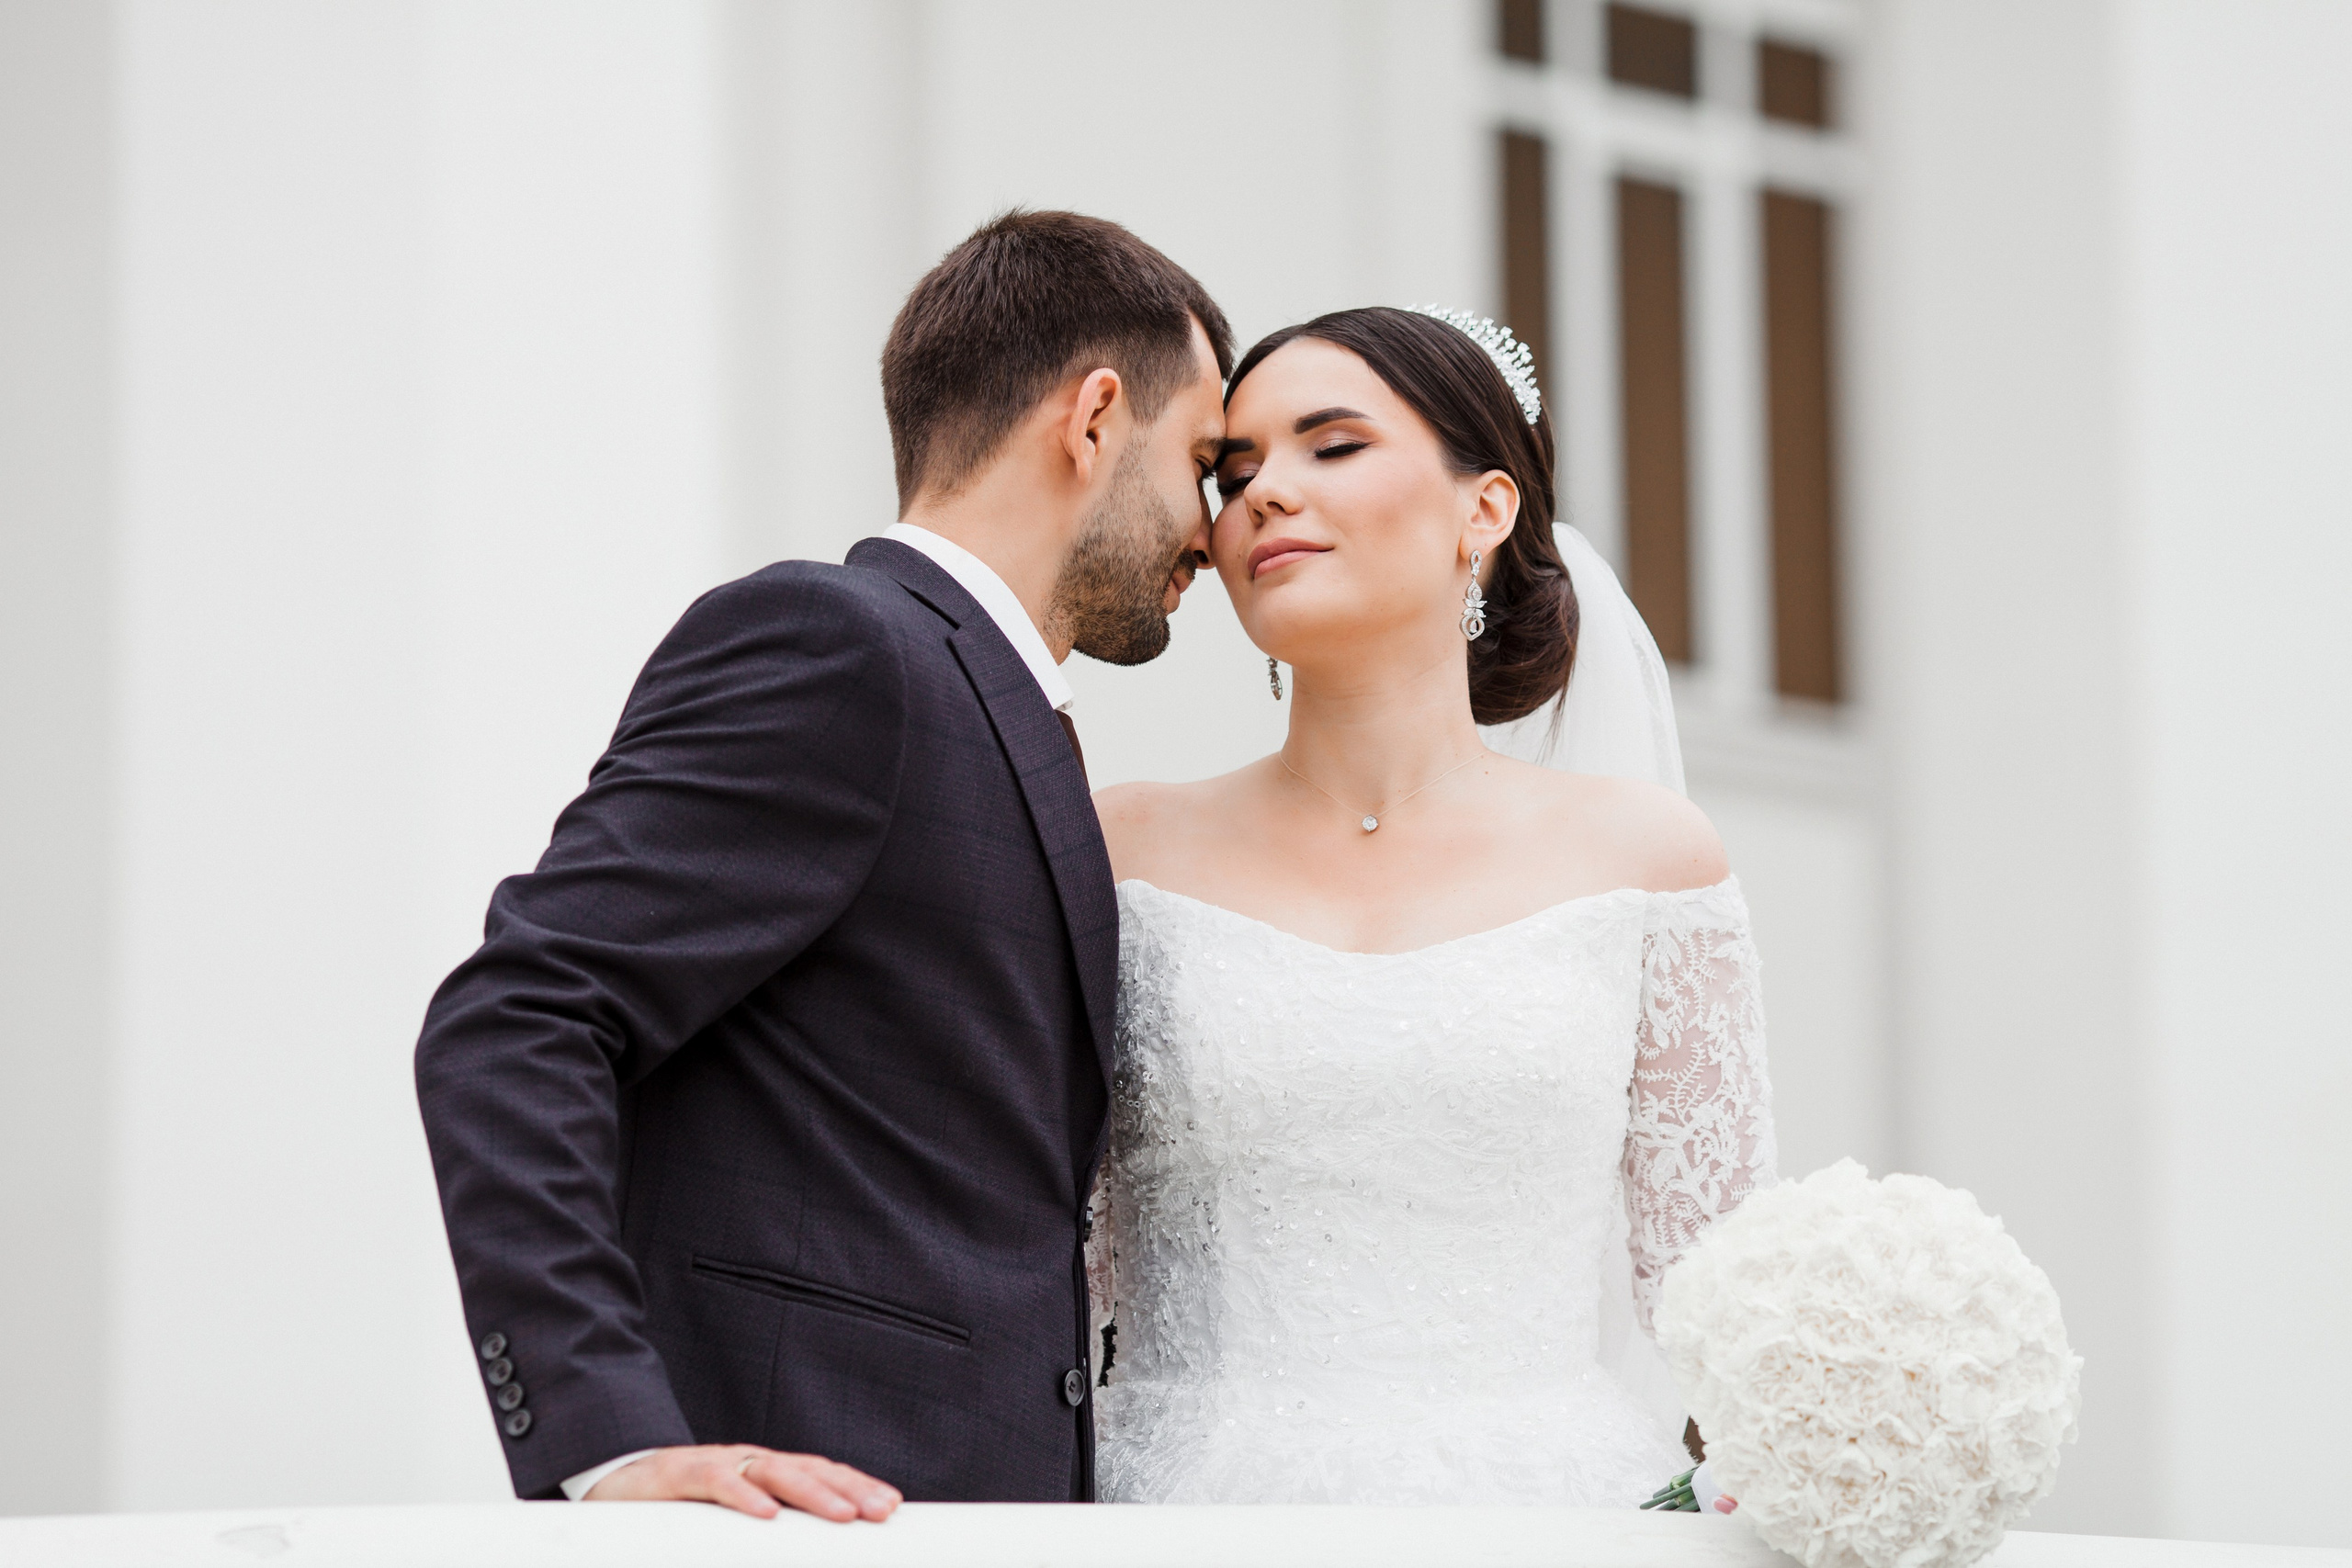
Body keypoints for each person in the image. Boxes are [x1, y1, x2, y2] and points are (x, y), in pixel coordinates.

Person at [413, 210, 1231, 1517]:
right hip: (801, 1514)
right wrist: (609, 1440)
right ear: (1094, 417)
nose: (1214, 527)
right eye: (1204, 459)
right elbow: (518, 1018)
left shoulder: (999, 710)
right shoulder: (840, 646)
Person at [1087, 306, 1778, 1504]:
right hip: (1183, 1513)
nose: (1265, 494)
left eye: (1333, 446)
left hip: (1550, 1515)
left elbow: (1732, 1308)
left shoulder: (1647, 861)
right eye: (1235, 469)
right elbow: (1038, 1257)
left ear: (1485, 510)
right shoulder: (1119, 847)